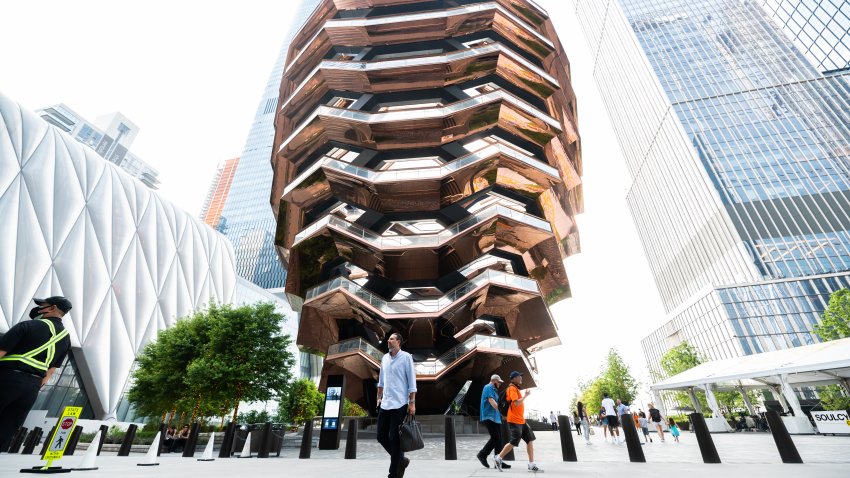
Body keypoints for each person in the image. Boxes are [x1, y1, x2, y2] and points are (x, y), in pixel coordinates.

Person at [0, 297, 73, 452]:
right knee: (7, 426)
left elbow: (1, 352)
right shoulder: (66, 339)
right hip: (32, 387)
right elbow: (52, 370)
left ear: (52, 307)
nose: (39, 309)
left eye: (42, 306)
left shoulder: (28, 325)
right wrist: (35, 385)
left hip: (7, 378)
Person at [376, 333, 416, 478]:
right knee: (381, 436)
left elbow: (412, 382)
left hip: (400, 403)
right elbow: (381, 382)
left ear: (398, 342)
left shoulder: (406, 357)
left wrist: (412, 403)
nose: (388, 341)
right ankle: (401, 460)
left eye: (391, 339)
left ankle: (393, 473)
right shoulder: (385, 358)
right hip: (385, 403)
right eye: (388, 339)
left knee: (394, 437)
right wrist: (378, 399)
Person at [494, 371, 542, 473]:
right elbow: (516, 403)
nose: (521, 378)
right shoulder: (512, 389)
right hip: (514, 420)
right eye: (520, 376)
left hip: (521, 420)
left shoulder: (516, 389)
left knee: (529, 440)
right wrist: (525, 396)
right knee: (514, 441)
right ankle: (498, 458)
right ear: (514, 378)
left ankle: (531, 464)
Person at [476, 374, 510, 469]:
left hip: (496, 418)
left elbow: (497, 403)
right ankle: (482, 455)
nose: (499, 384)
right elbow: (491, 401)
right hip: (489, 416)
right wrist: (502, 413)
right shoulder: (488, 387)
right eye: (499, 382)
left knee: (499, 440)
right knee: (495, 437)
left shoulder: (495, 391)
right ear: (494, 381)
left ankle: (498, 461)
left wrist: (502, 415)